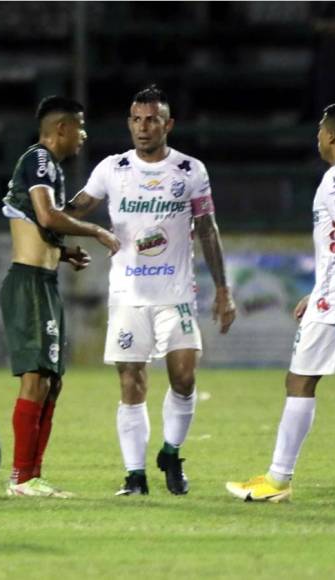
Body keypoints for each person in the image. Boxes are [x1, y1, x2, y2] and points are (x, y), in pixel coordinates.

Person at [226, 102, 335, 504]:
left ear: (332, 136)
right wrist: (323, 290)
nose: (318, 136)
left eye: (321, 129)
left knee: (299, 381)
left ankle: (277, 481)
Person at [67, 85, 236, 496]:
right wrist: (43, 215)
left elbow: (208, 230)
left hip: (176, 293)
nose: (143, 128)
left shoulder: (190, 171)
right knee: (131, 381)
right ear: (129, 123)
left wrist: (223, 289)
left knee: (184, 375)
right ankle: (135, 476)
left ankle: (172, 452)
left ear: (168, 124)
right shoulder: (113, 168)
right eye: (136, 120)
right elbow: (75, 209)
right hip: (127, 295)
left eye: (152, 120)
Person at [0, 96, 120, 498]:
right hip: (30, 283)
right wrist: (98, 232)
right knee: (35, 378)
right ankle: (21, 478)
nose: (84, 135)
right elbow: (48, 215)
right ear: (62, 129)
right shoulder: (38, 160)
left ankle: (32, 476)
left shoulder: (49, 167)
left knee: (52, 382)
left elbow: (37, 224)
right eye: (80, 127)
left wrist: (62, 251)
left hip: (44, 279)